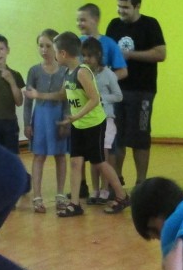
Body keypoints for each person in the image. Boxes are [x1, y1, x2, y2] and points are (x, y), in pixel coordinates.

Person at [44, 31, 128, 216]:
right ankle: (75, 204)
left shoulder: (82, 72)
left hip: (93, 124)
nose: (55, 55)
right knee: (75, 162)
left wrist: (76, 116)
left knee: (100, 162)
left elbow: (95, 99)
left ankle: (122, 196)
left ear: (63, 53)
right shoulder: (67, 72)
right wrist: (40, 95)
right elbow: (66, 95)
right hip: (79, 124)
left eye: (55, 51)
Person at [105, 0, 166, 186]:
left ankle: (141, 182)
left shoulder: (150, 24)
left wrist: (130, 55)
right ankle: (117, 179)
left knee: (140, 136)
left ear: (137, 6)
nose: (120, 11)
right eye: (119, 6)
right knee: (116, 136)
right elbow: (106, 53)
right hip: (116, 90)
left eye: (125, 7)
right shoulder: (114, 25)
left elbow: (161, 54)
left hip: (142, 90)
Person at [22, 29, 69, 214]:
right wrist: (27, 123)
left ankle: (60, 194)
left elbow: (67, 98)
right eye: (41, 46)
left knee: (60, 155)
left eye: (48, 46)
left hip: (58, 116)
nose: (44, 50)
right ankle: (37, 196)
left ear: (56, 48)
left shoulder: (65, 70)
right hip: (40, 117)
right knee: (39, 155)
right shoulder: (34, 71)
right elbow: (28, 100)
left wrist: (66, 119)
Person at [83, 37, 123, 205]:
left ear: (98, 55)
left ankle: (105, 188)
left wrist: (101, 98)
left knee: (103, 154)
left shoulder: (108, 74)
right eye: (84, 56)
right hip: (90, 119)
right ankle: (95, 190)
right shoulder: (83, 74)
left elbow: (118, 96)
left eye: (90, 56)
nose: (86, 59)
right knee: (93, 155)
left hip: (106, 119)